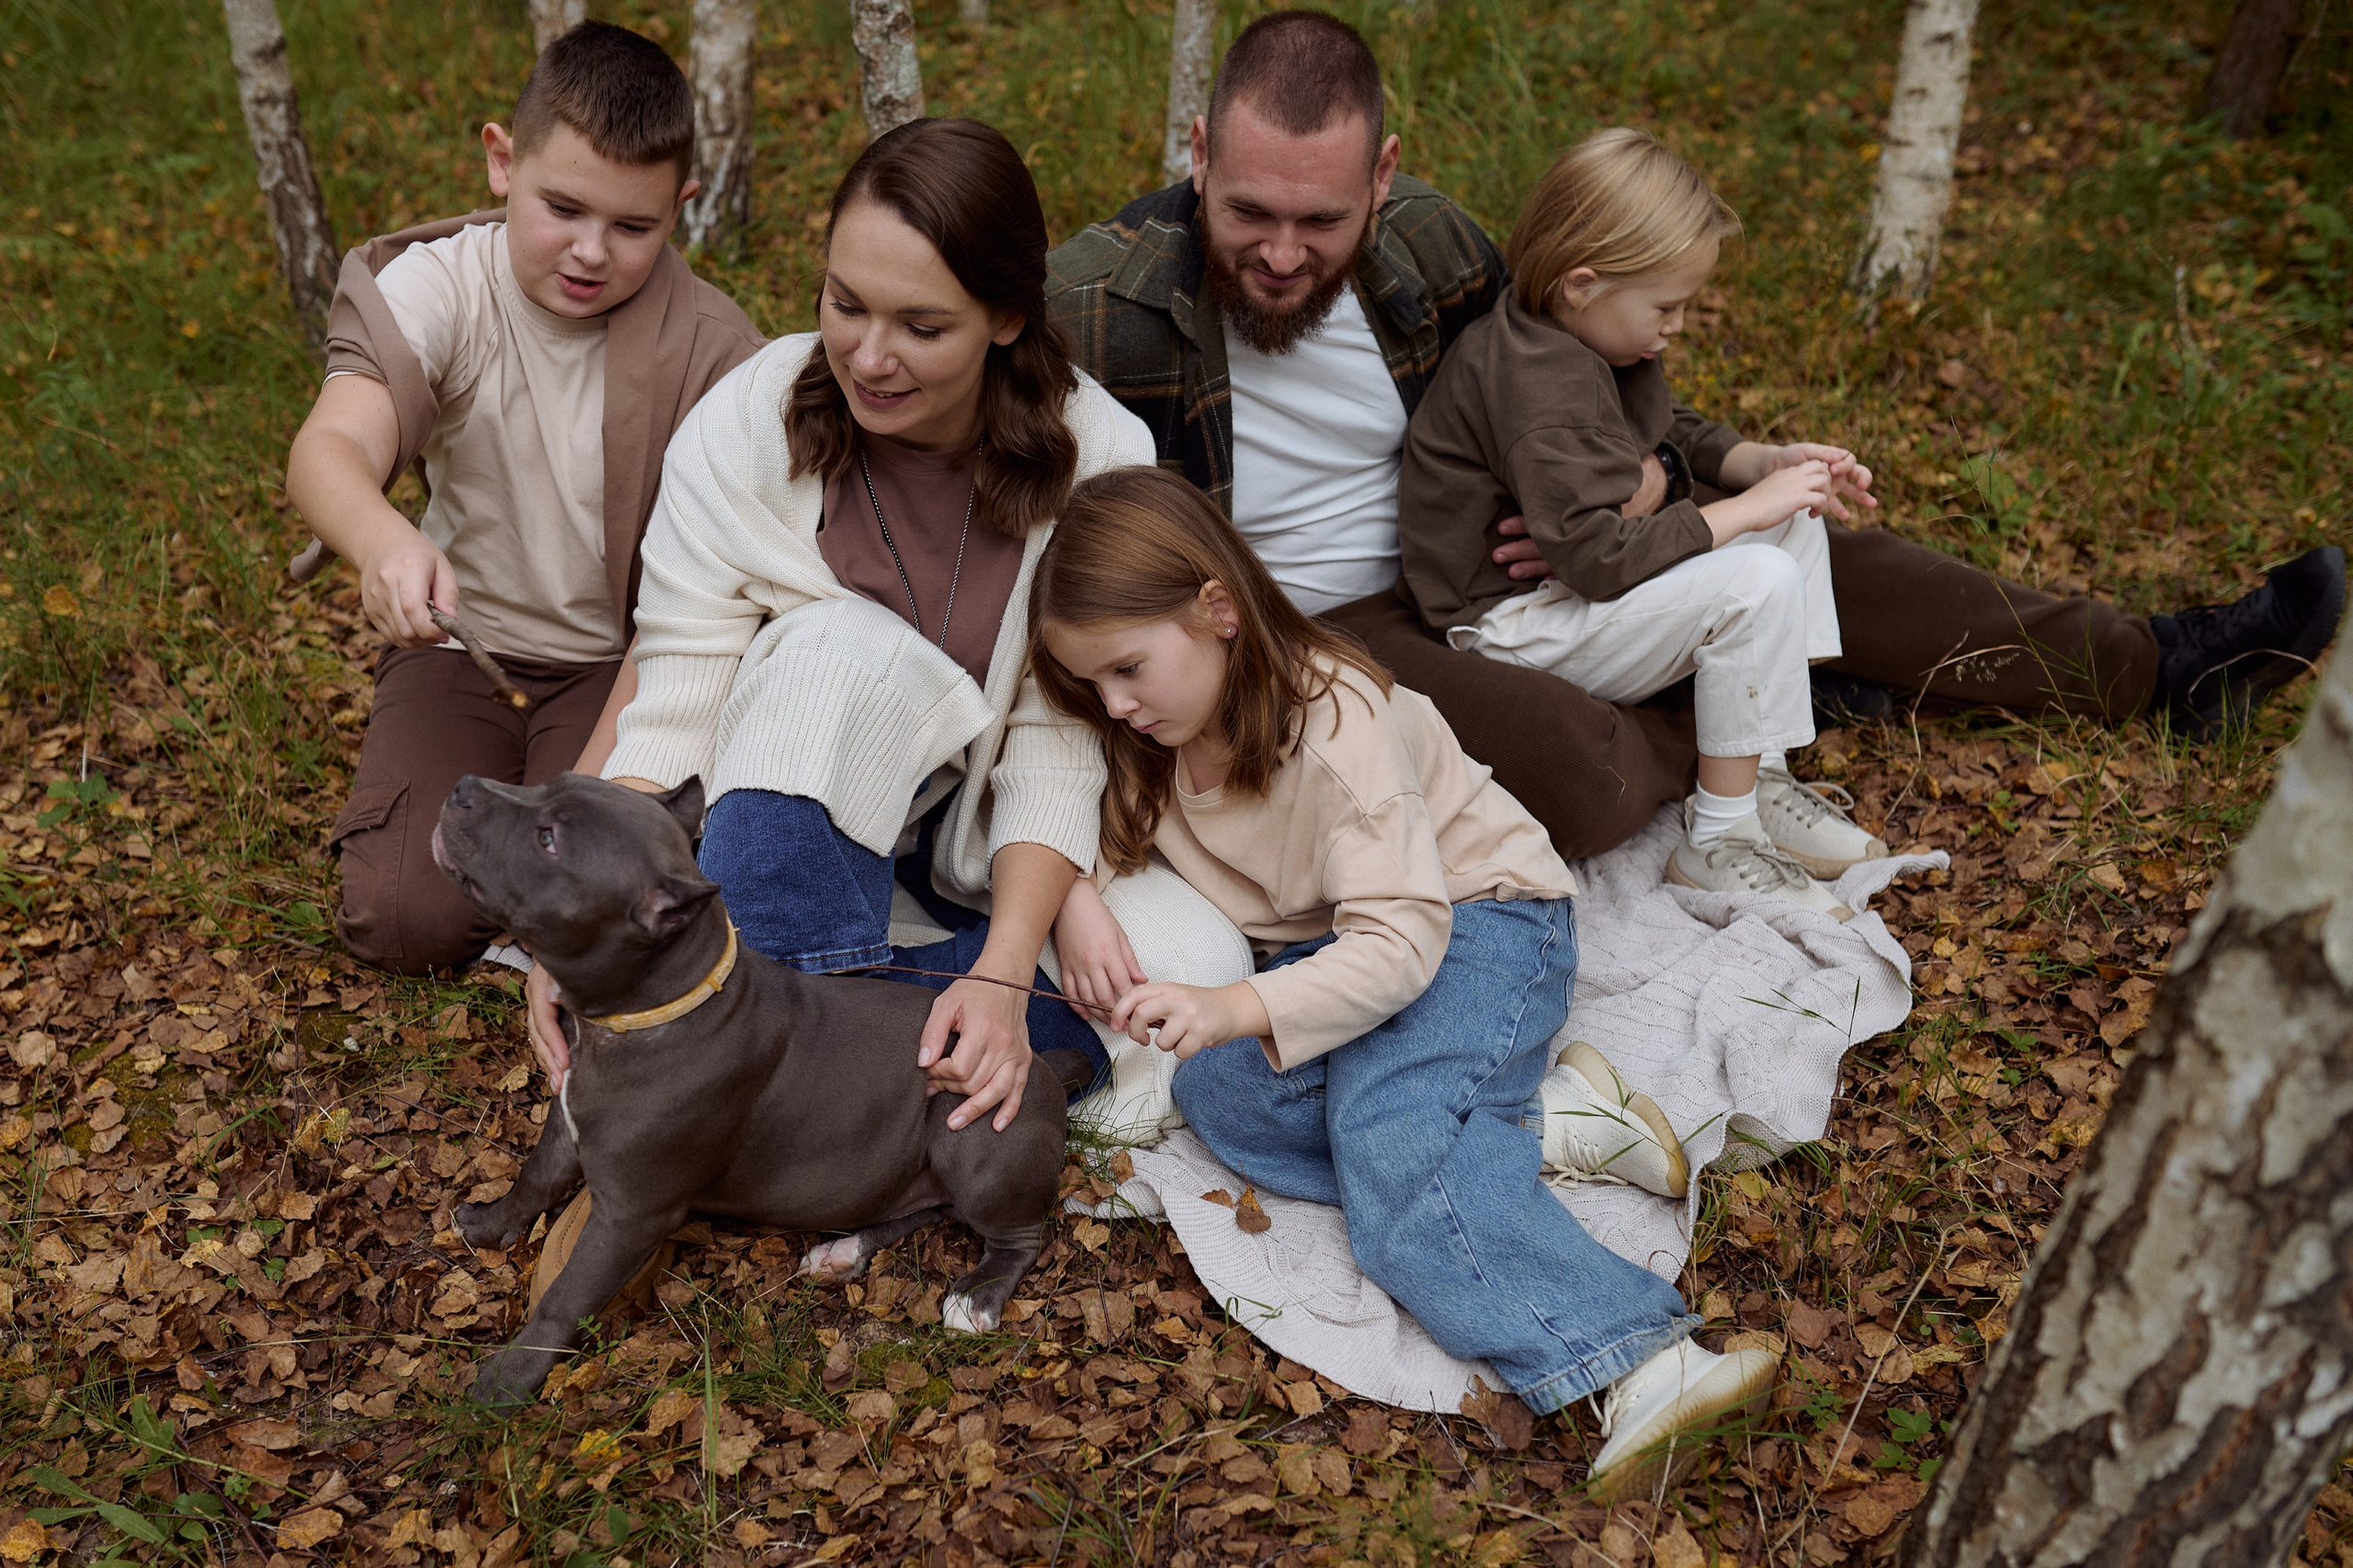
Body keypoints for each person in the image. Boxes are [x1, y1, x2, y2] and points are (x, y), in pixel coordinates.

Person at [1044, 8, 2347, 862]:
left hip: (1524, 559)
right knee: (1591, 784)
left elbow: (1577, 384)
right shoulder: (1097, 307)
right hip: (1320, 629)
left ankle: (2158, 666)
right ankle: (1763, 696)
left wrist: (1728, 464)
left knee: (1827, 547)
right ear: (1202, 152)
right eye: (1248, 211)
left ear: (1382, 178)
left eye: (1319, 223)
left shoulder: (1430, 245)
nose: (1280, 253)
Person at [1028, 464, 1770, 1497]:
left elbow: (1401, 942)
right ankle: (1549, 1121)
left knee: (1397, 1153)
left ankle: (1639, 1354)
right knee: (1219, 1092)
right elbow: (1075, 822)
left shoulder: (1332, 725)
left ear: (1217, 612)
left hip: (1474, 922)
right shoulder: (1148, 731)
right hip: (1343, 949)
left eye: (1126, 669)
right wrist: (1077, 900)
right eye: (1091, 684)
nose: (1113, 703)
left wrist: (1235, 1002)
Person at [525, 119, 1159, 1134]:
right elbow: (676, 693)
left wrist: (1001, 978)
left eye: (921, 326)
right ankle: (782, 1084)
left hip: (976, 854)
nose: (869, 356)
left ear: (1003, 318)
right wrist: (588, 921)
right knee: (834, 650)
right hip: (775, 825)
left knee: (1175, 985)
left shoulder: (1100, 459)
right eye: (844, 303)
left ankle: (814, 1043)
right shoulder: (750, 422)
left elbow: (1057, 743)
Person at [287, 22, 764, 975]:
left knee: (617, 906)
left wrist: (599, 780)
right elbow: (331, 444)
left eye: (635, 227)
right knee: (400, 920)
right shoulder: (443, 286)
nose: (591, 252)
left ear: (684, 207)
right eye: (563, 207)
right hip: (461, 649)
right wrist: (383, 541)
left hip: (622, 663)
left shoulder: (715, 349)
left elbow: (724, 594)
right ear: (502, 164)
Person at [1402, 128, 1890, 917]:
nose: (1680, 325)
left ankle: (1759, 779)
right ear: (1583, 284)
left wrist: (1762, 464)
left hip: (1573, 586)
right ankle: (1717, 843)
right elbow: (1595, 559)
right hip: (1513, 622)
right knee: (1756, 577)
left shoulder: (1584, 334)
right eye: (1668, 306)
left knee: (1792, 529)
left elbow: (1663, 426)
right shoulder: (1537, 386)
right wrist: (1736, 512)